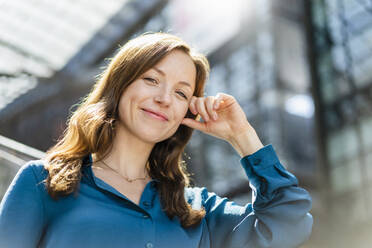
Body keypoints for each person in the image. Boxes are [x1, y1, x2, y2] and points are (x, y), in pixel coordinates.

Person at [0, 32, 313, 248]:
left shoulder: (197, 210)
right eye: (151, 79)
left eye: (181, 93)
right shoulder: (43, 183)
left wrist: (242, 136)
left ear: (185, 113)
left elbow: (290, 221)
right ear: (119, 86)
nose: (164, 98)